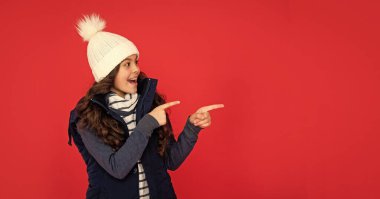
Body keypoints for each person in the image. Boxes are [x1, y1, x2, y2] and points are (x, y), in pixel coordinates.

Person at [67, 13, 224, 199]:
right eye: (127, 64)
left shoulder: (150, 104)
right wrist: (148, 123)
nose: (136, 69)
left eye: (136, 61)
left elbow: (170, 160)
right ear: (109, 73)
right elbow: (117, 168)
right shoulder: (87, 117)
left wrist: (192, 126)